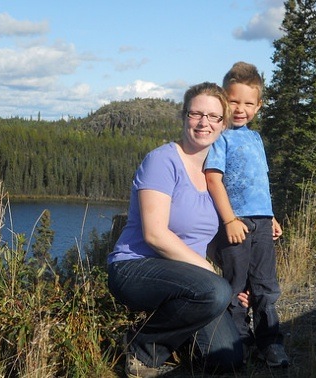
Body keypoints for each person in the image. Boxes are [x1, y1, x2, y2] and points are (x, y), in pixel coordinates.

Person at [107, 82, 248, 377]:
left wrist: (234, 285)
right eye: (196, 114)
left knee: (229, 358)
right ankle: (141, 348)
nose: (204, 123)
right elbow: (155, 235)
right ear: (184, 116)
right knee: (213, 291)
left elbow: (226, 229)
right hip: (136, 268)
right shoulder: (162, 160)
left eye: (213, 116)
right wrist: (210, 275)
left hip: (190, 281)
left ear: (223, 124)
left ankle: (174, 336)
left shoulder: (213, 175)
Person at [204, 62, 290, 367]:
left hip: (262, 221)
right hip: (235, 223)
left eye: (248, 103)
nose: (240, 109)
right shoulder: (221, 137)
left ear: (259, 105)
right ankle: (239, 342)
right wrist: (229, 220)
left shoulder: (255, 139)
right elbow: (213, 179)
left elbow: (259, 182)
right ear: (223, 101)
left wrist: (271, 216)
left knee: (266, 285)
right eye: (233, 101)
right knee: (235, 287)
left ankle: (270, 343)